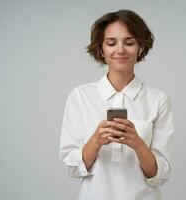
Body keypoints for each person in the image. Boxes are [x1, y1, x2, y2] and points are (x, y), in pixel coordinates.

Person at [59, 9, 174, 200]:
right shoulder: (80, 97)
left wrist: (138, 143)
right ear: (101, 50)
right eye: (111, 43)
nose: (120, 50)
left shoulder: (157, 100)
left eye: (129, 42)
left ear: (140, 48)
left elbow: (160, 175)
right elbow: (71, 167)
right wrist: (96, 140)